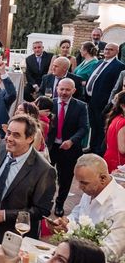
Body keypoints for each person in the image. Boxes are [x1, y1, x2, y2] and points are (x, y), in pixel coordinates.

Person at [0, 115, 56, 259]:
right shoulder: (2, 149)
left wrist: (5, 215)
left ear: (30, 138)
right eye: (8, 132)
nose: (9, 138)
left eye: (16, 135)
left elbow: (41, 210)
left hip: (17, 236)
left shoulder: (44, 170)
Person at [51, 154, 125, 263]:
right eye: (78, 181)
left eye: (83, 183)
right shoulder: (92, 189)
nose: (78, 187)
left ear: (103, 178)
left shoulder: (119, 208)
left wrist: (71, 233)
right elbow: (79, 212)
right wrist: (66, 221)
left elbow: (110, 254)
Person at [47, 78, 89, 216]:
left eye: (67, 90)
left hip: (69, 149)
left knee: (65, 179)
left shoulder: (81, 106)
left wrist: (71, 141)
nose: (64, 92)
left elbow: (84, 128)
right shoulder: (49, 104)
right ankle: (45, 203)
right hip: (50, 147)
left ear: (74, 91)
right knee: (44, 176)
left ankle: (59, 204)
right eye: (61, 89)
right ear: (57, 88)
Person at [85, 43, 125, 154]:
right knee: (93, 125)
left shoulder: (119, 66)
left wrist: (110, 103)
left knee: (101, 126)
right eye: (106, 49)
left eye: (110, 49)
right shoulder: (99, 62)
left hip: (104, 103)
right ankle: (92, 146)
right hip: (91, 100)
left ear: (117, 51)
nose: (107, 51)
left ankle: (98, 150)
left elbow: (115, 87)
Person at [104, 91, 125, 173]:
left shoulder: (115, 118)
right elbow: (122, 149)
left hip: (110, 160)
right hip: (119, 164)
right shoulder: (123, 122)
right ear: (122, 106)